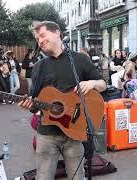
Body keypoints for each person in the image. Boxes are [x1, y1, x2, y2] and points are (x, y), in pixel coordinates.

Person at [18, 21, 107, 180]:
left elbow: (103, 84)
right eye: (37, 39)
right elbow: (34, 100)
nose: (40, 41)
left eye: (43, 35)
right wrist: (29, 105)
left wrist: (91, 83)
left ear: (57, 32)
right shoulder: (39, 66)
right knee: (43, 177)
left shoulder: (79, 59)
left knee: (77, 176)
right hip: (46, 134)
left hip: (75, 131)